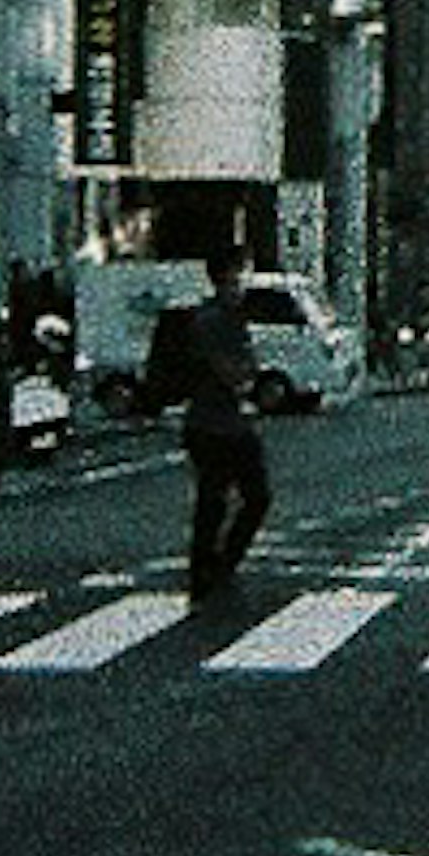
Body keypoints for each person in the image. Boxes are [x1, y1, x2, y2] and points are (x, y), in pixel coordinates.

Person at [151, 245, 272, 600]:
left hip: (227, 422)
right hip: (213, 423)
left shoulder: (230, 317)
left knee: (234, 497)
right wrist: (246, 378)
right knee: (220, 498)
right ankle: (209, 568)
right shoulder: (213, 320)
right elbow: (233, 371)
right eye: (238, 277)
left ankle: (213, 565)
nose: (243, 284)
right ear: (222, 280)